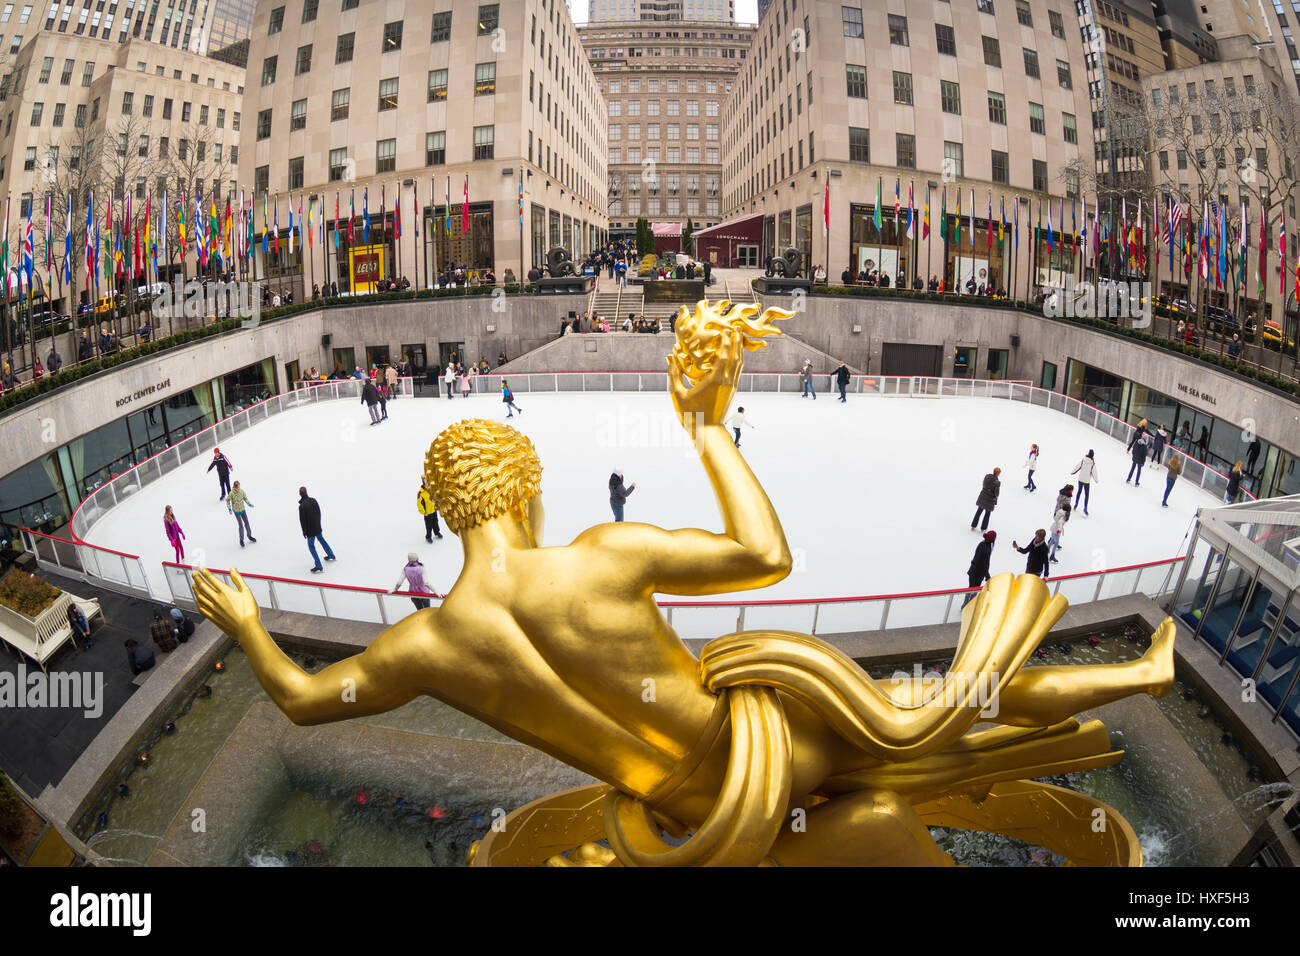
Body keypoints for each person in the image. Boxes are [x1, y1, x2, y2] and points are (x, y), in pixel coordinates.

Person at [299, 487, 337, 573]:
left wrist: (304, 532)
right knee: (322, 540)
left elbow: (303, 521)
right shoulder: (313, 500)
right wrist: (318, 524)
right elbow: (319, 513)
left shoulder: (302, 506)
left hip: (310, 530)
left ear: (300, 494)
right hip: (317, 526)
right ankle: (331, 554)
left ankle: (318, 565)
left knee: (311, 546)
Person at [963, 530, 996, 608]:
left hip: (972, 571)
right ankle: (968, 606)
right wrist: (987, 576)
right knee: (974, 590)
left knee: (970, 588)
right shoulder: (987, 550)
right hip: (978, 574)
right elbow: (984, 565)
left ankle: (965, 605)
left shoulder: (982, 544)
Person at [971, 467, 1002, 532]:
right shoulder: (997, 482)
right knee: (987, 514)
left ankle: (973, 525)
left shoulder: (987, 477)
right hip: (990, 500)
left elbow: (984, 485)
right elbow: (996, 493)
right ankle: (983, 528)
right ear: (998, 473)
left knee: (979, 511)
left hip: (983, 497)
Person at [227, 480, 256, 547]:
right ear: (234, 487)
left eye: (239, 487)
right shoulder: (231, 493)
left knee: (247, 523)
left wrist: (249, 504)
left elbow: (245, 498)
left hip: (242, 510)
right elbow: (227, 500)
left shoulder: (241, 491)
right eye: (237, 487)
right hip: (236, 511)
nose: (238, 488)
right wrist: (229, 509)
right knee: (240, 525)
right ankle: (241, 540)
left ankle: (249, 536)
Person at [1070, 450, 1098, 515]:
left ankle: (1076, 504)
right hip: (1086, 481)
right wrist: (1096, 480)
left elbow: (1078, 466)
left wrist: (1073, 472)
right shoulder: (1092, 463)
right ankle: (1085, 508)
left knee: (1079, 492)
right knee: (1086, 495)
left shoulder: (1083, 460)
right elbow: (1094, 472)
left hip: (1080, 479)